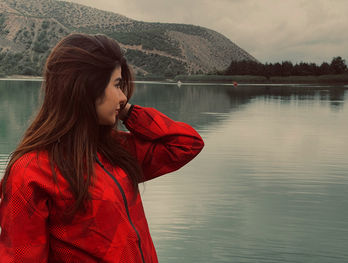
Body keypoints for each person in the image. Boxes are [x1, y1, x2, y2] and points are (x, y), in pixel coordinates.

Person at [0, 33, 204, 262]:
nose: (123, 96)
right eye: (117, 85)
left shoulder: (116, 150)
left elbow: (186, 144)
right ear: (87, 88)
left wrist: (127, 112)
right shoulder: (31, 172)